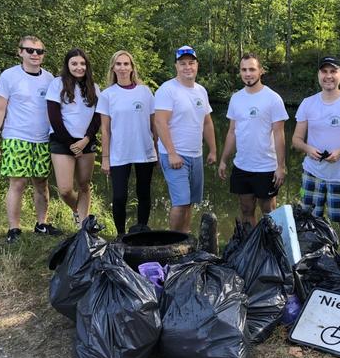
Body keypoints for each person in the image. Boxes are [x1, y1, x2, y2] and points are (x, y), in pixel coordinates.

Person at [292, 56, 340, 256]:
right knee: (309, 219)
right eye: (324, 72)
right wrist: (309, 149)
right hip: (312, 174)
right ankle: (311, 259)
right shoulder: (308, 103)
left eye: (333, 72)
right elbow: (296, 140)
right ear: (318, 75)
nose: (328, 76)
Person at [0, 35, 60, 243]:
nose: (35, 54)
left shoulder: (49, 78)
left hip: (43, 139)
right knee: (17, 183)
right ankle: (14, 229)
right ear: (20, 52)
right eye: (29, 50)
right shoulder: (9, 76)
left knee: (41, 183)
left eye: (39, 51)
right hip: (16, 137)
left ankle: (42, 224)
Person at [218, 53, 288, 225]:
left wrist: (281, 166)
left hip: (266, 167)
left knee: (269, 213)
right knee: (246, 210)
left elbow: (279, 134)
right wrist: (224, 160)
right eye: (244, 70)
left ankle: (270, 248)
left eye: (252, 69)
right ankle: (251, 248)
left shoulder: (273, 98)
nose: (248, 74)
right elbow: (232, 131)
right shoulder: (236, 98)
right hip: (242, 165)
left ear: (261, 71)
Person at [154, 45, 217, 233]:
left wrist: (213, 149)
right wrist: (172, 153)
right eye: (183, 64)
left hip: (195, 155)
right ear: (176, 66)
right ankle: (172, 244)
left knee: (190, 202)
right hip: (174, 155)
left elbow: (207, 123)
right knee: (180, 202)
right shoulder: (167, 90)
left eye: (191, 63)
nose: (187, 67)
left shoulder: (201, 91)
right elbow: (160, 122)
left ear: (197, 65)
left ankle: (186, 240)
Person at [97, 50, 157, 237]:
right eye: (118, 64)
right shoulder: (107, 95)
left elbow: (154, 124)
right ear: (113, 68)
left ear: (132, 68)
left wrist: (156, 148)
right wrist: (105, 158)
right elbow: (105, 130)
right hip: (119, 152)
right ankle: (121, 235)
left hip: (144, 151)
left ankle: (141, 230)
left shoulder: (145, 91)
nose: (122, 68)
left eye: (126, 64)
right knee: (119, 196)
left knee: (144, 193)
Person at [46, 48, 100, 226]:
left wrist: (85, 140)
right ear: (67, 65)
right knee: (65, 189)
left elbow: (97, 117)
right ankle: (78, 211)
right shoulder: (57, 84)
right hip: (62, 142)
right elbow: (54, 117)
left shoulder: (94, 88)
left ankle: (84, 227)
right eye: (74, 63)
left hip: (87, 141)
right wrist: (71, 144)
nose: (79, 67)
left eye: (82, 63)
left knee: (84, 184)